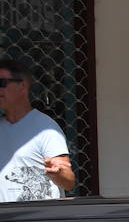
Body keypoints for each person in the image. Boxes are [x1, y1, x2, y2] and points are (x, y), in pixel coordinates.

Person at [0, 58, 75, 202]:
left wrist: (58, 173)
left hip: (37, 219)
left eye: (2, 83)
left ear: (22, 86)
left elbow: (69, 182)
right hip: (6, 220)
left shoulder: (46, 129)